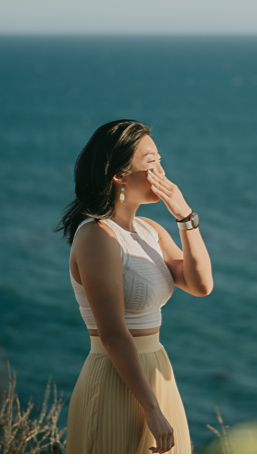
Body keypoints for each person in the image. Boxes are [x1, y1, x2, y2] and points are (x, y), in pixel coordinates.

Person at [59, 119, 213, 454]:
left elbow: (201, 285)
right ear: (119, 175)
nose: (161, 171)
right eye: (151, 162)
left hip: (157, 369)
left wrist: (185, 216)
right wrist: (151, 408)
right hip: (118, 380)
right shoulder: (97, 236)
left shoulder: (150, 230)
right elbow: (113, 333)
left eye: (160, 160)